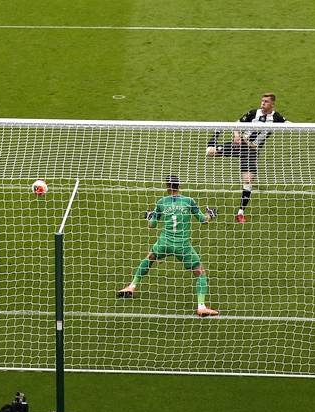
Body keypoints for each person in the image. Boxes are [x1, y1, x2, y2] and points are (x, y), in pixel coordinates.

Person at [117, 175, 219, 317]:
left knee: (150, 257)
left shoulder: (161, 202)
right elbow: (203, 221)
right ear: (178, 185)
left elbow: (152, 225)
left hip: (164, 243)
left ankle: (132, 286)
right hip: (183, 246)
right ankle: (201, 307)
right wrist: (210, 215)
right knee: (200, 272)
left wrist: (149, 216)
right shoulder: (189, 201)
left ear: (167, 187)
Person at [206, 93, 290, 223]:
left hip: (252, 152)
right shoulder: (253, 113)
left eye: (266, 101)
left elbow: (289, 123)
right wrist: (236, 135)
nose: (263, 103)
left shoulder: (276, 117)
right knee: (209, 153)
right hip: (241, 144)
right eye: (262, 101)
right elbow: (237, 123)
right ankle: (217, 131)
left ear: (272, 104)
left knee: (248, 183)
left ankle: (240, 213)